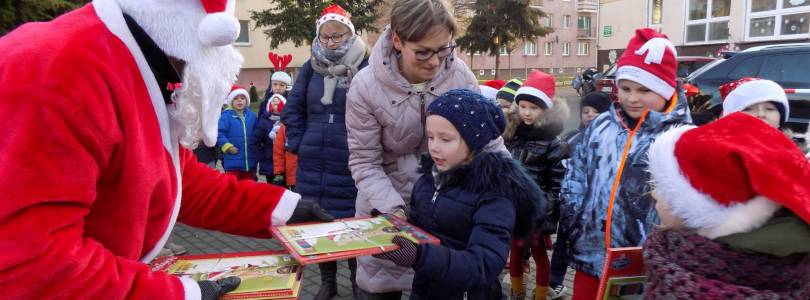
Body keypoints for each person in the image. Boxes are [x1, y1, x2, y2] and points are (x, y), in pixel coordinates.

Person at [0, 1, 334, 299]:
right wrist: (178, 293)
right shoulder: (59, 75)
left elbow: (173, 179)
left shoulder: (138, 60)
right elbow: (32, 263)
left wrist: (282, 209)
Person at [345, 0, 503, 297]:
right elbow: (365, 162)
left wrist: (514, 190)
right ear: (397, 40)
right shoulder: (366, 86)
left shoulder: (460, 76)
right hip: (388, 209)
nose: (435, 61)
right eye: (423, 52)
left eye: (444, 49)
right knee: (380, 289)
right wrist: (395, 212)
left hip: (450, 212)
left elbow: (489, 142)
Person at [559, 28, 691, 300]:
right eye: (626, 88)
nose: (632, 98)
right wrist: (573, 216)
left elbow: (685, 204)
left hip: (644, 264)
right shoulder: (601, 126)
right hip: (589, 253)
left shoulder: (681, 138)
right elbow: (576, 172)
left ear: (666, 90)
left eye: (644, 90)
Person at [374, 89, 544, 299]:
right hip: (425, 291)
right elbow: (423, 225)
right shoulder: (430, 179)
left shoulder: (494, 194)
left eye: (445, 139)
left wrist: (418, 255)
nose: (434, 147)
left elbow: (482, 265)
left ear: (474, 141)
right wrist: (394, 226)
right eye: (430, 137)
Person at [644, 112, 810, 298]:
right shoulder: (674, 251)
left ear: (702, 210)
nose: (654, 193)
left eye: (665, 189)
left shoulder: (685, 272)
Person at [280, 4, 368, 299]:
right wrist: (299, 140)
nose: (331, 42)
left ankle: (358, 283)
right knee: (320, 226)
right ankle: (328, 282)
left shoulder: (365, 65)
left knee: (355, 225)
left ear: (349, 34)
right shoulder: (310, 67)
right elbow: (293, 108)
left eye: (337, 36)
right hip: (314, 158)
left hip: (351, 156)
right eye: (326, 36)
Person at [502, 70, 569, 300]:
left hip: (537, 212)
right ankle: (516, 292)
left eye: (534, 107)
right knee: (516, 251)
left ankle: (540, 294)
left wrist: (544, 211)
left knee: (540, 255)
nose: (527, 112)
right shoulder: (512, 134)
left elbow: (558, 184)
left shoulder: (553, 143)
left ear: (545, 110)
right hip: (512, 208)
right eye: (523, 106)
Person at [217, 85, 259, 180]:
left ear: (246, 101)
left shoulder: (252, 116)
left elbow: (258, 133)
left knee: (249, 187)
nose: (239, 101)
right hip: (233, 160)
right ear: (231, 101)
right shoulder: (226, 116)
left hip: (249, 161)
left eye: (242, 98)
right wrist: (227, 146)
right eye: (236, 99)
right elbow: (219, 133)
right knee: (234, 187)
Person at [252, 93, 285, 182]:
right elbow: (255, 141)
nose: (275, 104)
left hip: (285, 162)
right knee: (271, 187)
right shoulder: (264, 122)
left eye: (278, 102)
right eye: (273, 102)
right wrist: (261, 156)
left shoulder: (287, 121)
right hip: (269, 161)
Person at [272, 101, 298, 190]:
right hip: (292, 177)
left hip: (310, 178)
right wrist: (279, 173)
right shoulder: (285, 127)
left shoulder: (312, 125)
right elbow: (278, 151)